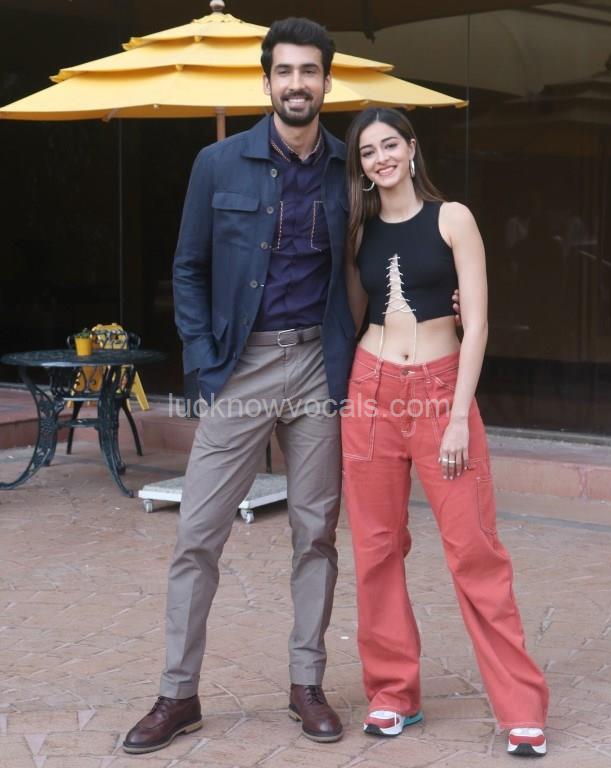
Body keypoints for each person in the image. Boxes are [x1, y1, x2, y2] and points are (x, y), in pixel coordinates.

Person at [123, 18, 356, 754]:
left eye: (309, 71)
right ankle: (178, 693)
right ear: (266, 81)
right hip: (242, 366)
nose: (297, 83)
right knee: (198, 532)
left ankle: (306, 683)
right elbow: (187, 266)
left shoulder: (349, 169)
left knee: (315, 532)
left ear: (326, 82)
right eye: (285, 71)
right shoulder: (217, 163)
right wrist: (202, 361)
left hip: (317, 363)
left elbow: (380, 255)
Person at [342, 108, 549, 757]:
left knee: (474, 550)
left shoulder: (452, 218)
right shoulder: (359, 230)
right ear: (361, 166)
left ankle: (521, 707)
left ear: (412, 149)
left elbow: (478, 323)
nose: (381, 158)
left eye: (390, 145)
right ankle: (392, 694)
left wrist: (459, 414)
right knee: (376, 549)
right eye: (368, 151)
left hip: (440, 392)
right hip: (370, 391)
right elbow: (352, 314)